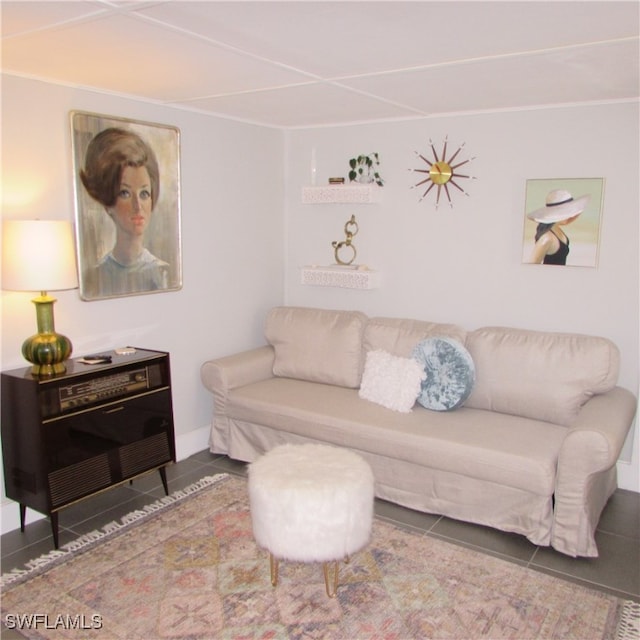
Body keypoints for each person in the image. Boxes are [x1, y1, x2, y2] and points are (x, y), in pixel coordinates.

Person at [79, 127, 169, 297]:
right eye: (125, 193)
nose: (137, 206)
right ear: (108, 204)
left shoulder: (164, 272)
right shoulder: (94, 277)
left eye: (144, 194)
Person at [527, 189, 590, 265]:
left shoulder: (556, 230)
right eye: (566, 212)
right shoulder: (547, 238)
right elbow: (532, 266)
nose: (571, 216)